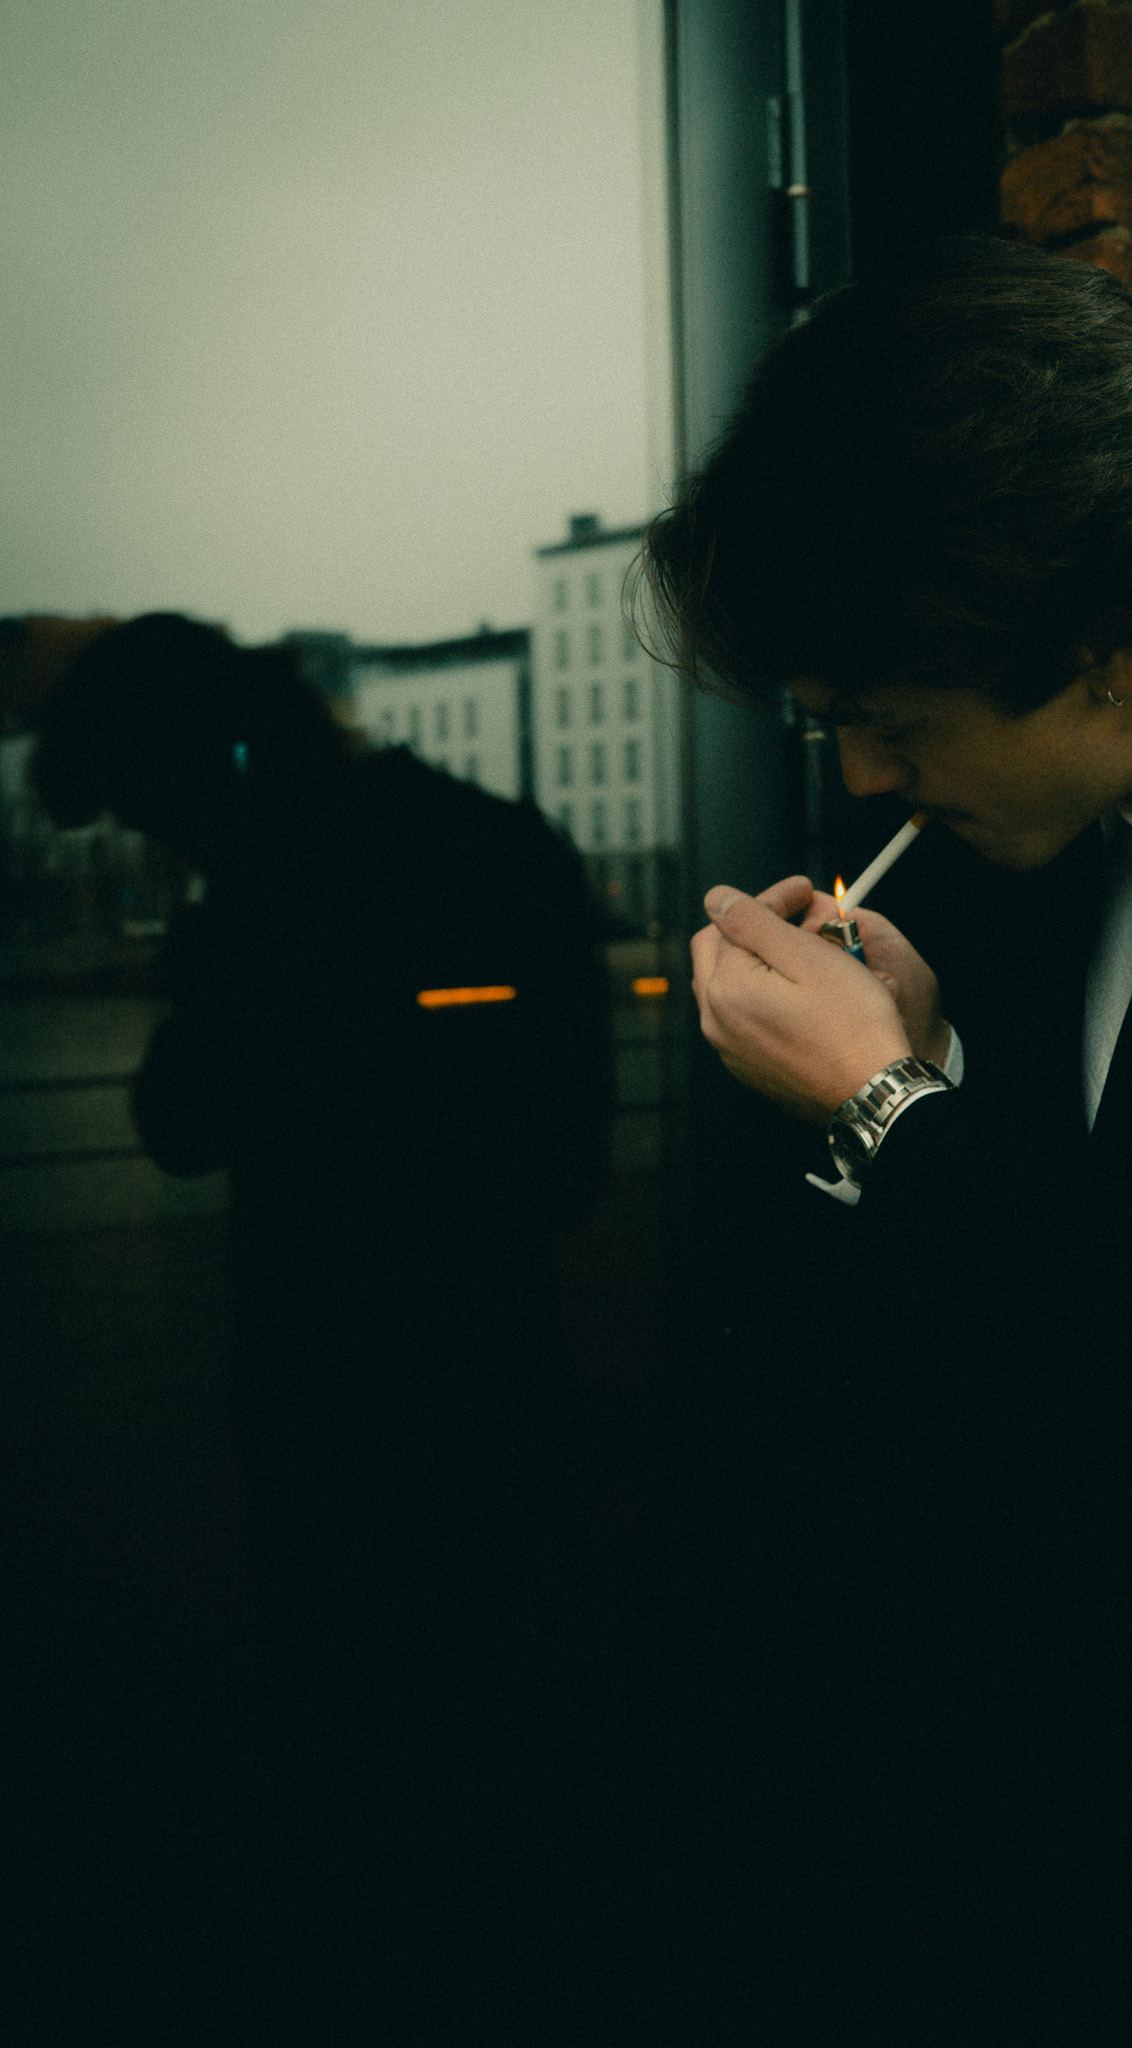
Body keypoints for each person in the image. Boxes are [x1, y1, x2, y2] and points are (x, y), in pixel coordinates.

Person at [642, 238, 1132, 2038]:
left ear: (1104, 639)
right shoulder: (1066, 817)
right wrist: (929, 1055)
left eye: (892, 726)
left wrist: (891, 1112)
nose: (866, 784)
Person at [24, 611, 616, 2035]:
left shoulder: (271, 894)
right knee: (468, 1721)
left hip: (325, 1393)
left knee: (353, 1735)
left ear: (204, 770)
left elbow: (178, 1120)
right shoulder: (495, 844)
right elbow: (565, 1158)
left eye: (157, 811)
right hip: (479, 1371)